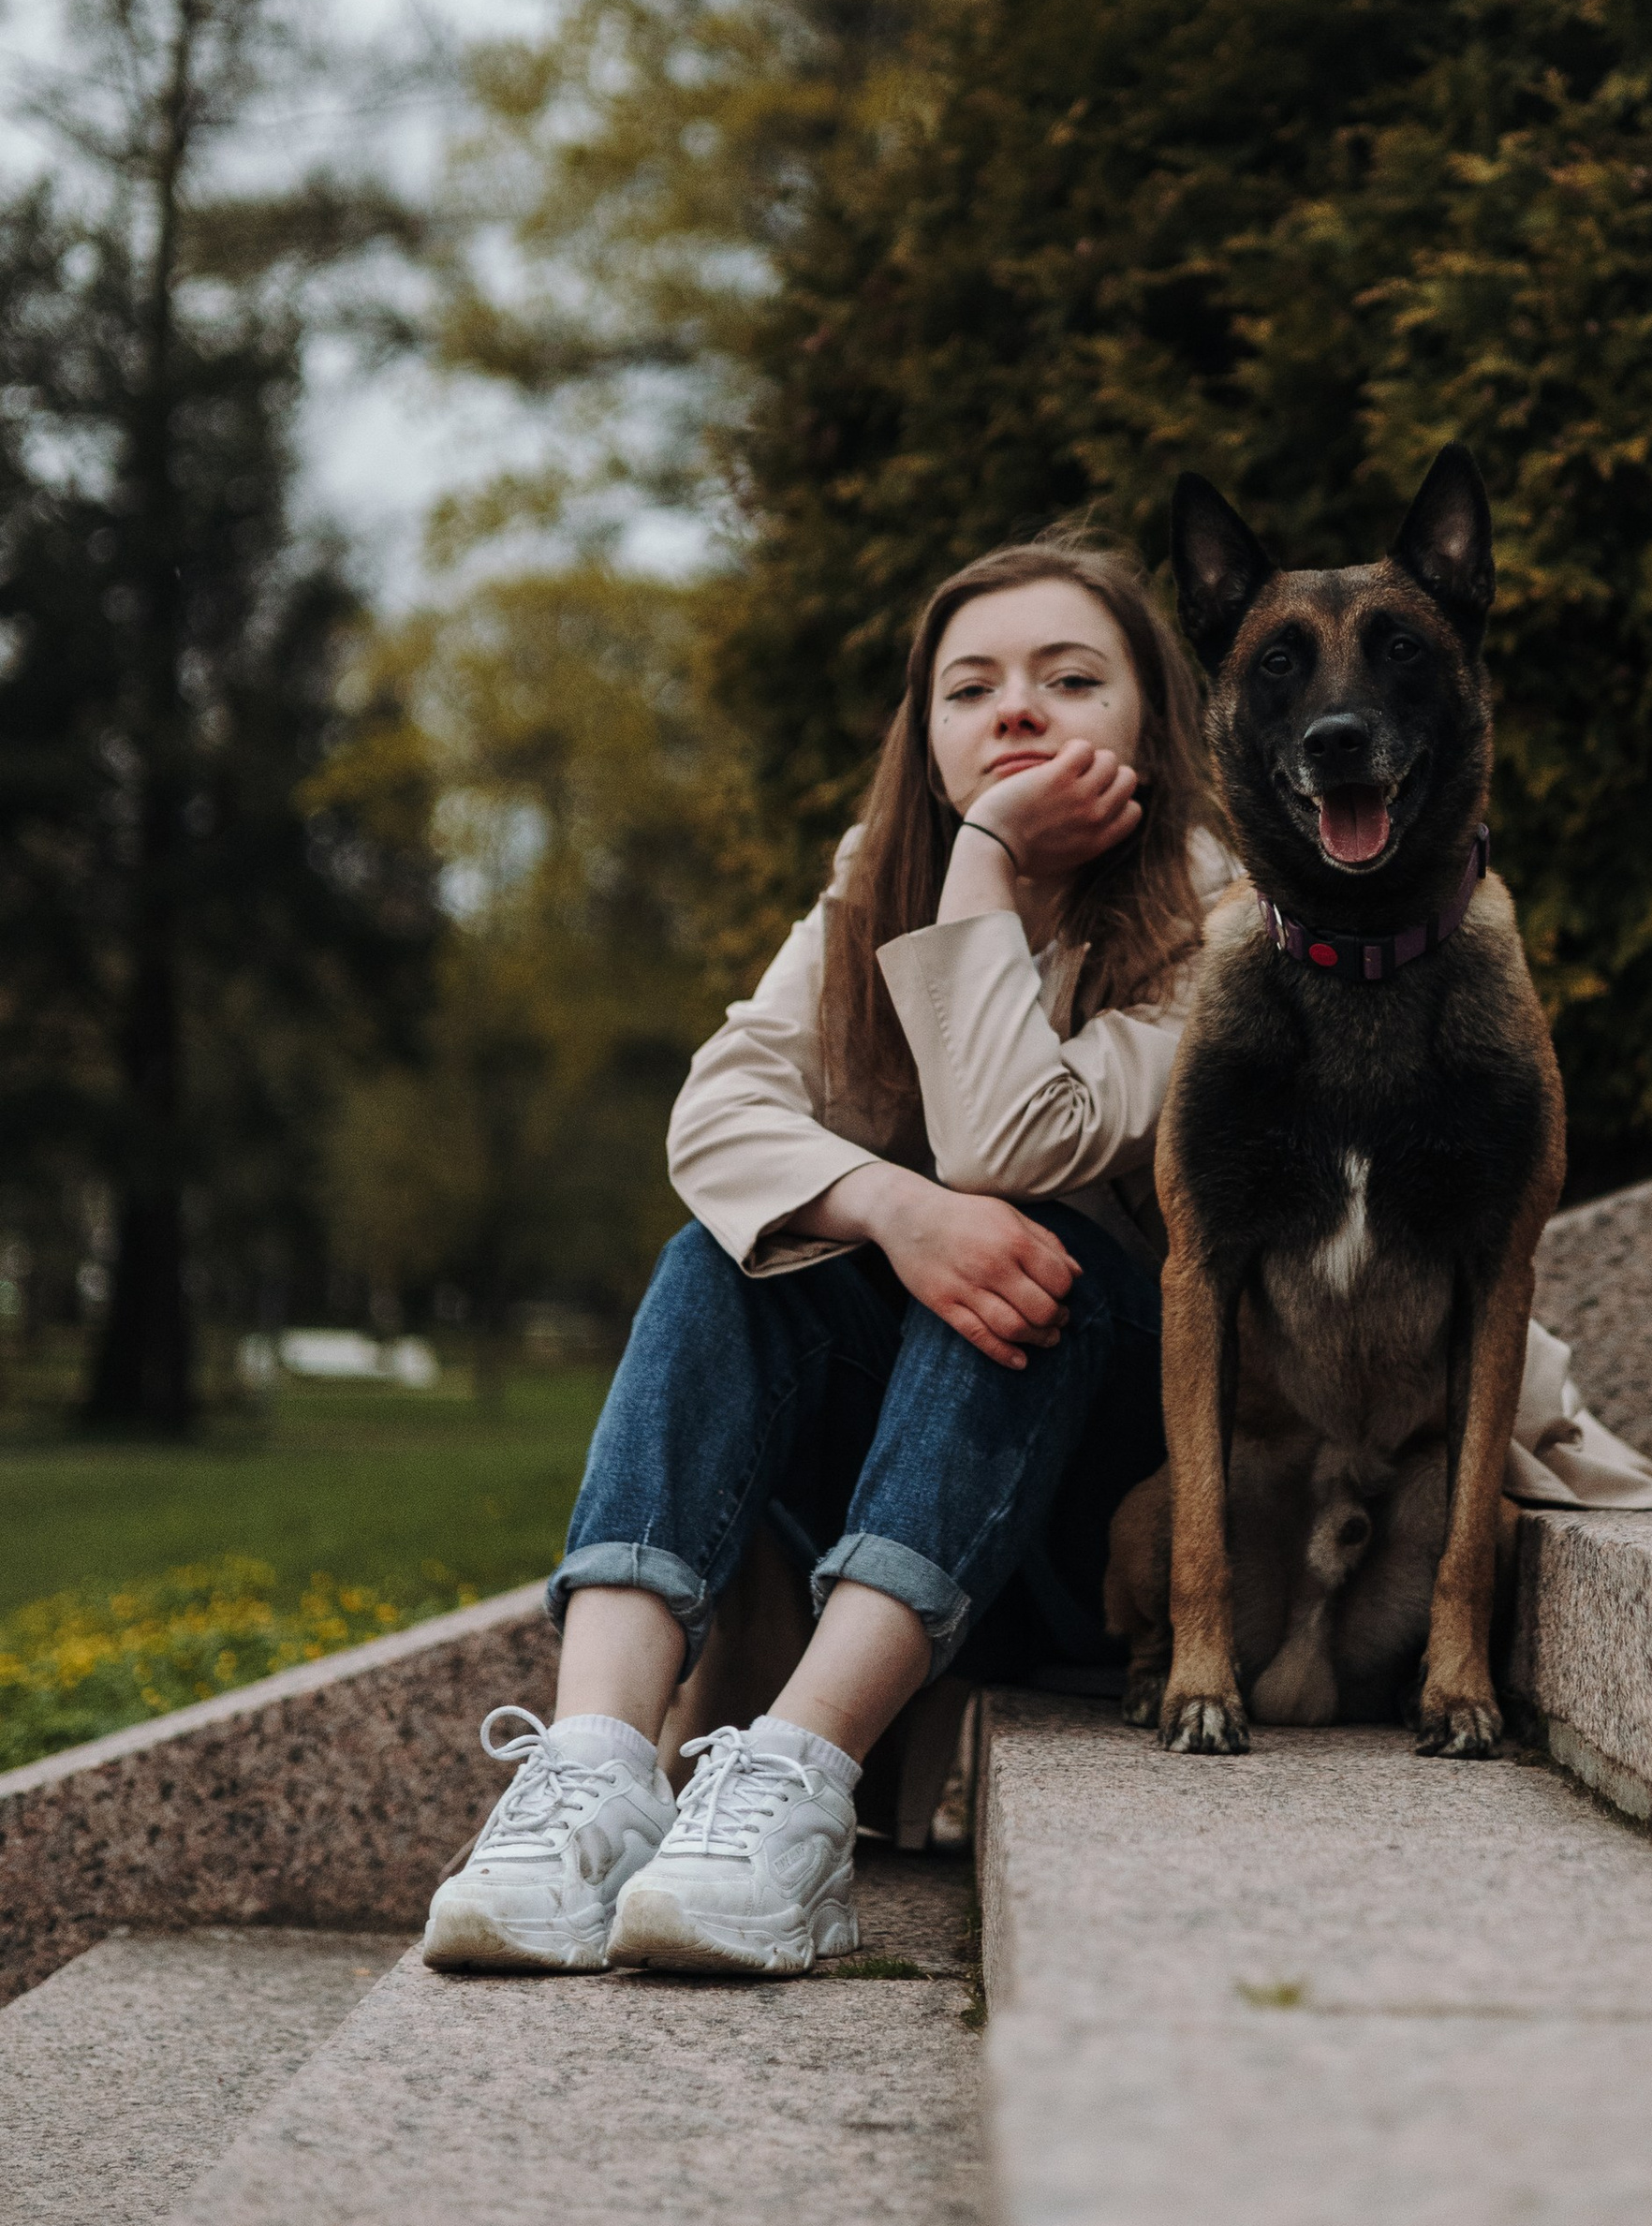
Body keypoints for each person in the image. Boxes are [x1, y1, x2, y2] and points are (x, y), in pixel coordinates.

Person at [422, 531, 1231, 1980]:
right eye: (970, 687)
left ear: (1151, 725)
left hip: (1090, 1519)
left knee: (1026, 1247)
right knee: (729, 1254)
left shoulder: (1219, 922)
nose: (1016, 712)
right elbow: (717, 1113)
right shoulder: (871, 885)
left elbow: (1007, 1144)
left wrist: (988, 857)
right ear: (924, 738)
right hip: (882, 1496)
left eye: (1070, 678)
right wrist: (886, 1211)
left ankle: (796, 1775)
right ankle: (595, 1774)